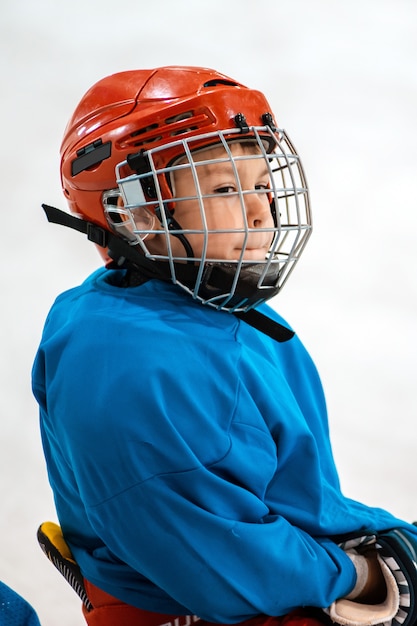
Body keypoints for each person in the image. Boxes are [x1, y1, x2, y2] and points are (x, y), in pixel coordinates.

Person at [32, 66, 417, 626]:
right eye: (225, 189)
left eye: (261, 183)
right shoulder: (130, 368)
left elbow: (290, 497)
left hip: (273, 571)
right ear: (137, 211)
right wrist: (359, 574)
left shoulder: (221, 303)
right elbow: (223, 563)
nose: (262, 208)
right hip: (210, 606)